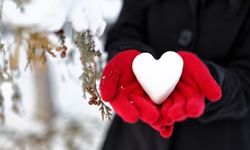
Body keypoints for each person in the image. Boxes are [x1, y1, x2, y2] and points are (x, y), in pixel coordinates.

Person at [99, 0, 250, 150]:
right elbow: (126, 29)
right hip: (134, 137)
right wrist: (127, 53)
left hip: (221, 138)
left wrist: (212, 79)